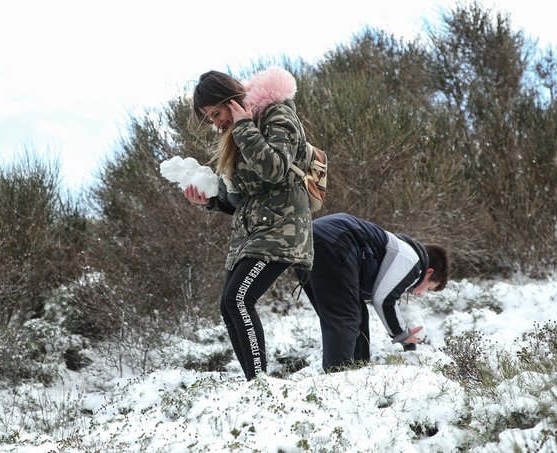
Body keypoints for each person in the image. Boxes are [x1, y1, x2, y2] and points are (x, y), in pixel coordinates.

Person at [183, 67, 313, 381]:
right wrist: (212, 201)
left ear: (231, 100)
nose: (216, 123)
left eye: (217, 113)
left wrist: (243, 127)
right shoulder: (240, 130)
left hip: (283, 230)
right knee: (228, 305)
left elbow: (276, 170)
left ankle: (259, 383)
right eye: (209, 118)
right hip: (251, 234)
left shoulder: (276, 115)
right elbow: (245, 199)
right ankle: (253, 384)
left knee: (238, 299)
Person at [295, 212, 450, 372]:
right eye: (429, 288)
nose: (421, 293)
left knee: (356, 314)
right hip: (334, 241)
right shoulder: (412, 260)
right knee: (345, 318)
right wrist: (403, 335)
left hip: (306, 239)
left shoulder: (399, 249)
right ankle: (337, 382)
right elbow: (384, 300)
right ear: (429, 272)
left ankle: (357, 373)